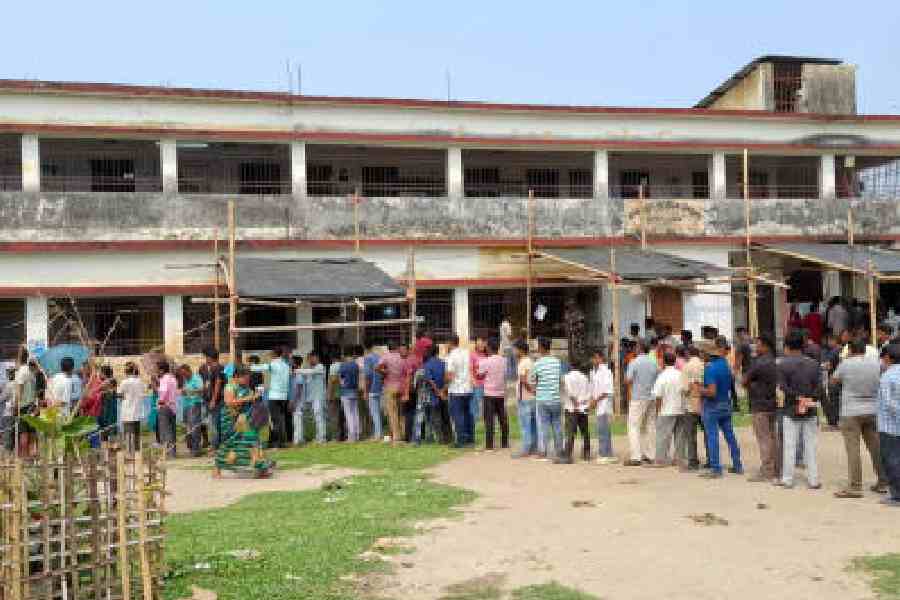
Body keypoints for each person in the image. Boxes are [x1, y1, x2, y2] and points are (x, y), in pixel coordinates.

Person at [831, 338, 888, 498]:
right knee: (876, 447)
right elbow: (884, 373)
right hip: (872, 409)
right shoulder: (876, 363)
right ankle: (883, 481)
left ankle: (855, 486)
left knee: (853, 450)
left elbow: (833, 380)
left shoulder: (846, 364)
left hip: (851, 411)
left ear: (850, 350)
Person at [776, 330, 822, 490]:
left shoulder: (783, 364)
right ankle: (813, 479)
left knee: (789, 445)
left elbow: (783, 387)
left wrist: (798, 398)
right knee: (810, 445)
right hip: (810, 409)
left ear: (787, 346)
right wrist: (808, 399)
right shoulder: (814, 364)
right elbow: (819, 388)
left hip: (791, 408)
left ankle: (787, 479)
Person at [213, 366, 275, 479]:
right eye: (245, 378)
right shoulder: (230, 387)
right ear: (236, 377)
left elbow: (252, 403)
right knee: (230, 445)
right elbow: (229, 402)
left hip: (245, 421)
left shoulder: (247, 389)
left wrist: (256, 398)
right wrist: (249, 398)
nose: (247, 381)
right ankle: (217, 468)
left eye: (248, 379)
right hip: (230, 420)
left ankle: (260, 468)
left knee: (252, 442)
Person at [699, 336, 743, 479]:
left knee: (712, 437)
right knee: (730, 435)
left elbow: (711, 391)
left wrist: (698, 389)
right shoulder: (725, 364)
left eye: (702, 353)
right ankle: (738, 465)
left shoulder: (710, 368)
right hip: (726, 403)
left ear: (707, 354)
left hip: (712, 406)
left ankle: (716, 468)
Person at [743, 335, 778, 482]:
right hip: (773, 404)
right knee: (772, 437)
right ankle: (776, 468)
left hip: (759, 403)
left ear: (765, 346)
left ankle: (767, 470)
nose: (755, 347)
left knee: (764, 439)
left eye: (758, 344)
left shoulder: (758, 363)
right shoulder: (776, 361)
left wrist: (751, 385)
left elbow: (744, 380)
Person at [624, 341, 659, 466]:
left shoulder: (634, 362)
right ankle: (651, 455)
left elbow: (627, 379)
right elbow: (657, 378)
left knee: (634, 426)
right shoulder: (653, 362)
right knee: (650, 425)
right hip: (651, 397)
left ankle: (636, 456)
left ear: (639, 348)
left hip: (638, 397)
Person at [529, 337, 564, 460]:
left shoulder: (537, 363)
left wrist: (536, 391)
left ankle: (543, 452)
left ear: (541, 348)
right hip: (555, 398)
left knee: (543, 426)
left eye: (538, 346)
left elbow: (533, 382)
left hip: (542, 399)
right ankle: (560, 451)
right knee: (557, 426)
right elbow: (560, 380)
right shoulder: (557, 362)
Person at [250, 347, 292, 448]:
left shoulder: (273, 364)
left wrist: (249, 367)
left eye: (271, 354)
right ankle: (281, 442)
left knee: (274, 420)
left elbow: (262, 367)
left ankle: (276, 443)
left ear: (274, 354)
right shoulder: (286, 365)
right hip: (284, 396)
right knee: (281, 419)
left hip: (274, 396)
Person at [651, 352, 685, 467]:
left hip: (666, 410)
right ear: (675, 361)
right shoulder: (680, 374)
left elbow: (658, 396)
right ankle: (679, 459)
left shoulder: (662, 376)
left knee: (663, 436)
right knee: (680, 435)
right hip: (680, 409)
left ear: (664, 362)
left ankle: (660, 459)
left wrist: (657, 411)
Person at [877, 344, 900, 506]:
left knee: (891, 460)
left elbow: (889, 403)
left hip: (890, 426)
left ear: (887, 358)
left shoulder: (887, 376)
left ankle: (897, 495)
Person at [377, 341, 412, 444]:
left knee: (392, 413)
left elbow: (377, 367)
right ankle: (403, 434)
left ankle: (396, 437)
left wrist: (384, 372)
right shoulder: (402, 358)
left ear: (388, 348)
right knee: (401, 413)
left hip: (390, 387)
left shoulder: (386, 357)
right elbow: (407, 374)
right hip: (401, 387)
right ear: (396, 348)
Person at [478, 338, 509, 451]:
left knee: (489, 420)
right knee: (503, 419)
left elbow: (479, 375)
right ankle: (504, 443)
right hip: (500, 393)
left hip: (489, 393)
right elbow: (505, 375)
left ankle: (489, 445)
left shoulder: (485, 361)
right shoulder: (504, 360)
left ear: (489, 348)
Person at [558, 361, 591, 464]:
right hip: (583, 407)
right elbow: (588, 392)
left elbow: (568, 391)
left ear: (570, 366)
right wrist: (582, 403)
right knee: (584, 431)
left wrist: (574, 403)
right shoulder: (585, 377)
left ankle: (568, 453)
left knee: (570, 431)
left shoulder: (567, 377)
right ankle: (586, 452)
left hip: (571, 407)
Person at [445, 335, 474, 448]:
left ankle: (461, 440)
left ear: (450, 343)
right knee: (467, 414)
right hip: (468, 388)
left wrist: (445, 385)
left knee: (458, 415)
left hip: (456, 389)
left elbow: (449, 375)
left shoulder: (451, 356)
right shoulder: (466, 353)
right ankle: (470, 438)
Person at [680, 346, 705, 470]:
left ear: (688, 353)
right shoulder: (704, 365)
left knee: (691, 435)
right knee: (707, 434)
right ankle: (711, 459)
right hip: (704, 403)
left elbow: (685, 388)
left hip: (690, 404)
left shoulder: (687, 367)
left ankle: (693, 461)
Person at [590, 349, 616, 465]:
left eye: (596, 358)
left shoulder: (606, 371)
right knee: (603, 429)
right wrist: (592, 400)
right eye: (593, 358)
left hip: (604, 403)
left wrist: (595, 400)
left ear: (601, 358)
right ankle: (608, 453)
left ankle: (604, 453)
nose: (594, 360)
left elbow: (607, 390)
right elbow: (593, 388)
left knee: (603, 430)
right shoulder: (593, 372)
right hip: (597, 403)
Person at [512, 339, 537, 458]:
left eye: (515, 349)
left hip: (524, 398)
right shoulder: (531, 361)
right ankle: (534, 447)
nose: (514, 351)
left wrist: (529, 389)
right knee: (533, 424)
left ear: (520, 350)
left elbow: (523, 379)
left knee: (525, 425)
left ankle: (526, 449)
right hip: (532, 398)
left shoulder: (523, 363)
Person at [419, 345, 447, 444]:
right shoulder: (443, 363)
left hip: (431, 395)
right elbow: (446, 378)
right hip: (443, 394)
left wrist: (437, 391)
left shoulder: (427, 365)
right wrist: (442, 391)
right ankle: (443, 437)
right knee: (441, 417)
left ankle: (434, 438)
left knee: (431, 417)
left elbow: (430, 380)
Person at [297, 352, 327, 443]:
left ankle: (322, 437)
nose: (308, 360)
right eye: (307, 359)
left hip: (318, 396)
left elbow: (310, 372)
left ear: (316, 357)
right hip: (312, 397)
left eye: (310, 358)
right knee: (315, 418)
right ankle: (318, 436)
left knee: (319, 416)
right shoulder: (310, 369)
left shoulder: (320, 367)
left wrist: (297, 370)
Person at [200, 347, 226, 452]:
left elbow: (218, 384)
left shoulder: (218, 368)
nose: (205, 359)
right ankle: (217, 444)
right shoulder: (211, 368)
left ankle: (215, 446)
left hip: (216, 401)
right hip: (208, 399)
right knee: (213, 423)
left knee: (214, 424)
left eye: (206, 357)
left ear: (211, 357)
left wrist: (213, 400)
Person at [118, 362, 145, 453]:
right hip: (137, 410)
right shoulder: (140, 381)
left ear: (126, 371)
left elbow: (120, 395)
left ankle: (129, 452)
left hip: (128, 411)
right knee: (137, 433)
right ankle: (137, 452)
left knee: (128, 433)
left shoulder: (124, 382)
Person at [338, 346, 362, 442]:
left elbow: (341, 378)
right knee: (355, 412)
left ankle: (351, 435)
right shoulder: (356, 365)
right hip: (354, 390)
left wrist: (342, 383)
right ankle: (357, 434)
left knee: (348, 414)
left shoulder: (343, 365)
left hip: (346, 391)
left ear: (344, 355)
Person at [179, 364, 204, 457]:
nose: (183, 376)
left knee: (194, 428)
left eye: (184, 374)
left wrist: (190, 392)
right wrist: (183, 391)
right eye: (182, 374)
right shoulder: (186, 379)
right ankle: (190, 448)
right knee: (187, 428)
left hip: (194, 404)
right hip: (186, 405)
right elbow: (186, 390)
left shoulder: (196, 378)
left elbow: (202, 389)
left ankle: (196, 449)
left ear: (188, 371)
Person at [155, 361, 178, 458]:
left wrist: (160, 401)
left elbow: (163, 393)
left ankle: (168, 453)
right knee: (172, 430)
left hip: (164, 407)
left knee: (165, 431)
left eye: (158, 370)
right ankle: (172, 452)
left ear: (162, 370)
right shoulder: (173, 378)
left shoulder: (164, 379)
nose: (157, 372)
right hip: (172, 407)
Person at [363, 341, 384, 441]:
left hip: (372, 388)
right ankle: (380, 432)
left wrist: (366, 391)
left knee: (374, 412)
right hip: (380, 386)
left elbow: (367, 376)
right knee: (378, 412)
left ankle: (378, 434)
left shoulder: (367, 358)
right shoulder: (378, 357)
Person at [822, 333, 843, 430]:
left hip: (834, 379)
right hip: (842, 379)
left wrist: (820, 366)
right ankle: (838, 421)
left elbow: (828, 365)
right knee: (839, 401)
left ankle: (833, 423)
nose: (828, 343)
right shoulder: (844, 349)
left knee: (833, 401)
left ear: (834, 340)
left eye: (829, 341)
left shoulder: (834, 351)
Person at [469, 337, 487, 426]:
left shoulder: (487, 355)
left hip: (487, 384)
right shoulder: (472, 355)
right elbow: (470, 369)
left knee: (486, 404)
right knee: (475, 403)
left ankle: (486, 421)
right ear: (476, 344)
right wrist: (473, 381)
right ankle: (473, 422)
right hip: (477, 384)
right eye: (479, 343)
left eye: (483, 343)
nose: (481, 345)